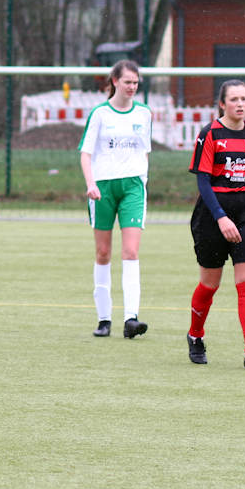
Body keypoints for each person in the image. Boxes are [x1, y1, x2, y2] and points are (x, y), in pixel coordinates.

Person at [186, 79, 245, 369]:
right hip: (212, 217)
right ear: (222, 103)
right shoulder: (209, 134)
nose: (240, 104)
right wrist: (221, 217)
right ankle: (195, 335)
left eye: (244, 99)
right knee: (210, 284)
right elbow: (203, 181)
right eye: (233, 99)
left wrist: (240, 212)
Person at [78, 59, 151, 339]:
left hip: (133, 186)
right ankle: (104, 318)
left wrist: (143, 180)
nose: (132, 87)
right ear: (115, 81)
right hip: (103, 188)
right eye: (127, 81)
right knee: (103, 252)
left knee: (131, 251)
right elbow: (85, 153)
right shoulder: (100, 114)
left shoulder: (144, 114)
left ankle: (131, 318)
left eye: (135, 82)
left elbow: (145, 151)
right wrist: (91, 183)